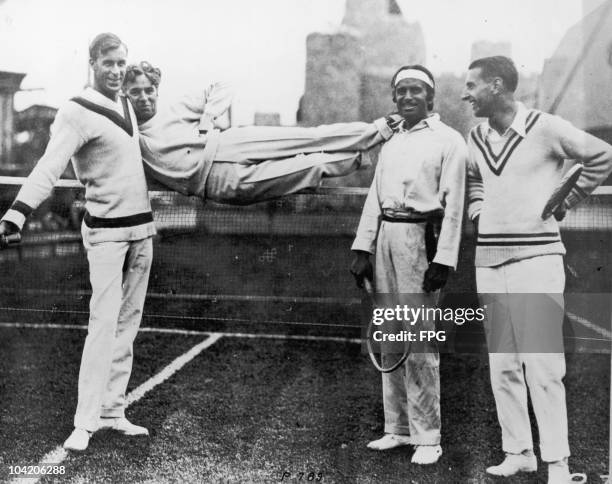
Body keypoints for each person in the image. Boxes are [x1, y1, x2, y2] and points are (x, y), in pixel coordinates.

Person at [0, 33, 156, 452]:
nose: (118, 69)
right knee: (102, 326)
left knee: (128, 325)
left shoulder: (127, 103)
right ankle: (84, 423)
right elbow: (49, 166)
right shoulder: (74, 111)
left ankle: (112, 411)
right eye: (109, 62)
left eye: (122, 62)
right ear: (92, 63)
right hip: (105, 233)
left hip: (143, 231)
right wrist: (18, 211)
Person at [461, 55, 612, 483]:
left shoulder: (546, 126)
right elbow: (474, 178)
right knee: (502, 364)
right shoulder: (473, 135)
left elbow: (602, 156)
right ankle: (519, 452)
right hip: (489, 262)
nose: (464, 93)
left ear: (496, 85)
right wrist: (477, 213)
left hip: (538, 260)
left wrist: (565, 201)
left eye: (471, 85)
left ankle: (558, 465)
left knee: (543, 365)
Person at [350, 65, 467, 465]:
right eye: (401, 92)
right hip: (386, 238)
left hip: (422, 241)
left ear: (431, 98)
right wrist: (362, 248)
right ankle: (397, 429)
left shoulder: (450, 141)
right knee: (388, 334)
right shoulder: (392, 142)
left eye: (416, 90)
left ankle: (428, 436)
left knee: (419, 340)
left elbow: (453, 209)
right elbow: (374, 199)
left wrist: (443, 259)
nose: (407, 97)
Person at [122, 62, 399, 204]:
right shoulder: (128, 136)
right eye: (135, 92)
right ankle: (363, 156)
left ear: (157, 90)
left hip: (230, 143)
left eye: (149, 90)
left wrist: (208, 117)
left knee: (309, 137)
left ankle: (380, 128)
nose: (144, 97)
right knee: (308, 168)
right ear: (125, 96)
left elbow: (222, 84)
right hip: (219, 183)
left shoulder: (175, 107)